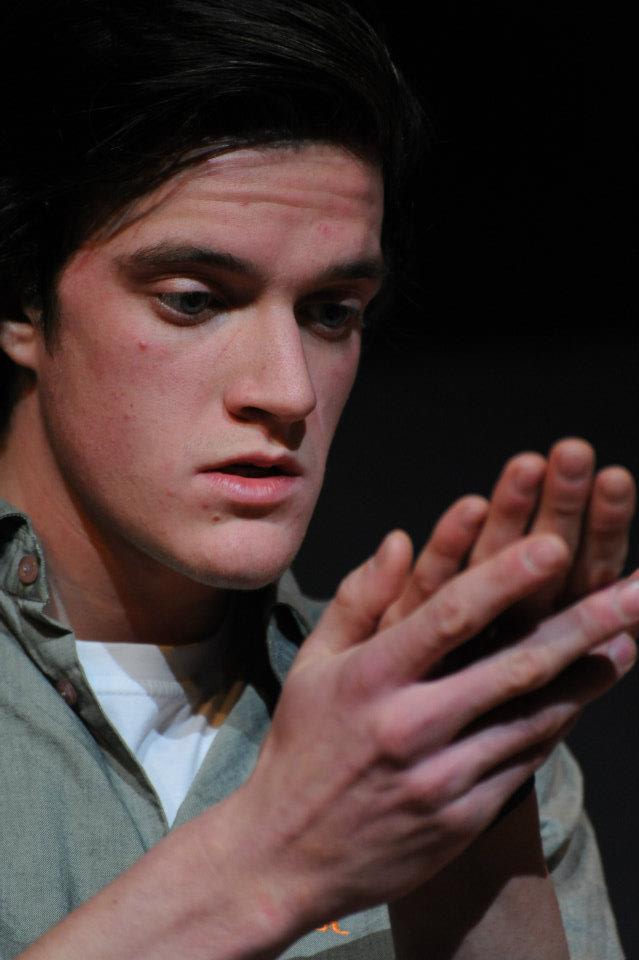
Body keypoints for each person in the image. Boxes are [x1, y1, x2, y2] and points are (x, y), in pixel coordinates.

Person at [0, 2, 635, 957]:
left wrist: (468, 830)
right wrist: (271, 861)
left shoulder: (427, 728)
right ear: (23, 300)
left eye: (332, 312)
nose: (288, 390)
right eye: (194, 300)